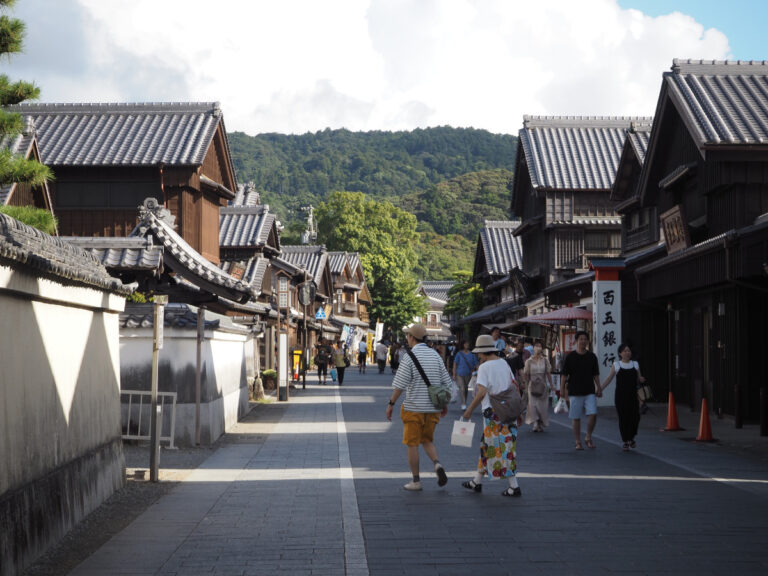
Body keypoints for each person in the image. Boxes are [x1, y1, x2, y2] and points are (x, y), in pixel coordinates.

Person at [385, 323, 451, 491]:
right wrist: (444, 404)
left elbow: (400, 385)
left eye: (408, 336)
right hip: (433, 408)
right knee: (427, 440)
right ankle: (437, 464)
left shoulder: (410, 357)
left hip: (414, 408)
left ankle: (416, 481)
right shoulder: (436, 355)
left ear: (412, 338)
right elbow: (446, 382)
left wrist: (391, 403)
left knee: (412, 444)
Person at [461, 335, 522, 497]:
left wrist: (469, 410)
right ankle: (477, 481)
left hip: (493, 412)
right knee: (489, 445)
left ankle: (514, 486)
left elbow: (481, 392)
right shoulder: (504, 363)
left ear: (483, 352)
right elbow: (514, 385)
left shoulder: (484, 368)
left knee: (501, 448)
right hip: (508, 410)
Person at [600, 343, 646, 451]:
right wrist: (600, 389)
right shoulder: (617, 365)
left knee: (635, 417)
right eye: (624, 351)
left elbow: (639, 379)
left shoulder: (635, 364)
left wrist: (641, 379)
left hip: (633, 396)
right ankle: (626, 441)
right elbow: (608, 379)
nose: (627, 353)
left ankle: (632, 437)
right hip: (621, 396)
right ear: (620, 353)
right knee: (623, 418)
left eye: (628, 351)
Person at [562, 331, 601, 450]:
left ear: (588, 341)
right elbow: (564, 375)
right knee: (576, 417)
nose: (583, 341)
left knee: (593, 413)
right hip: (574, 390)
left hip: (589, 390)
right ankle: (578, 441)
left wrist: (599, 387)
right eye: (581, 339)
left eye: (585, 339)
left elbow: (595, 374)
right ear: (576, 341)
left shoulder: (592, 356)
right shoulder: (570, 357)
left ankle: (588, 437)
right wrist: (562, 390)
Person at [522, 341, 553, 432]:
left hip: (543, 386)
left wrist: (551, 385)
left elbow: (548, 373)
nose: (538, 348)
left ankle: (540, 423)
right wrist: (525, 383)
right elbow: (526, 373)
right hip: (532, 385)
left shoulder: (545, 360)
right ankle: (535, 423)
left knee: (542, 407)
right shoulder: (529, 361)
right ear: (533, 348)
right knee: (533, 405)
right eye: (536, 346)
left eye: (540, 346)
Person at [453, 340, 478, 410]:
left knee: (466, 389)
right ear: (463, 345)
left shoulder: (472, 354)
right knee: (462, 388)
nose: (467, 345)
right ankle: (463, 403)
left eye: (468, 343)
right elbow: (455, 364)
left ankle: (464, 402)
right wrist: (454, 374)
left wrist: (478, 372)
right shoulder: (459, 354)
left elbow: (476, 364)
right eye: (466, 343)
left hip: (469, 374)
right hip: (459, 374)